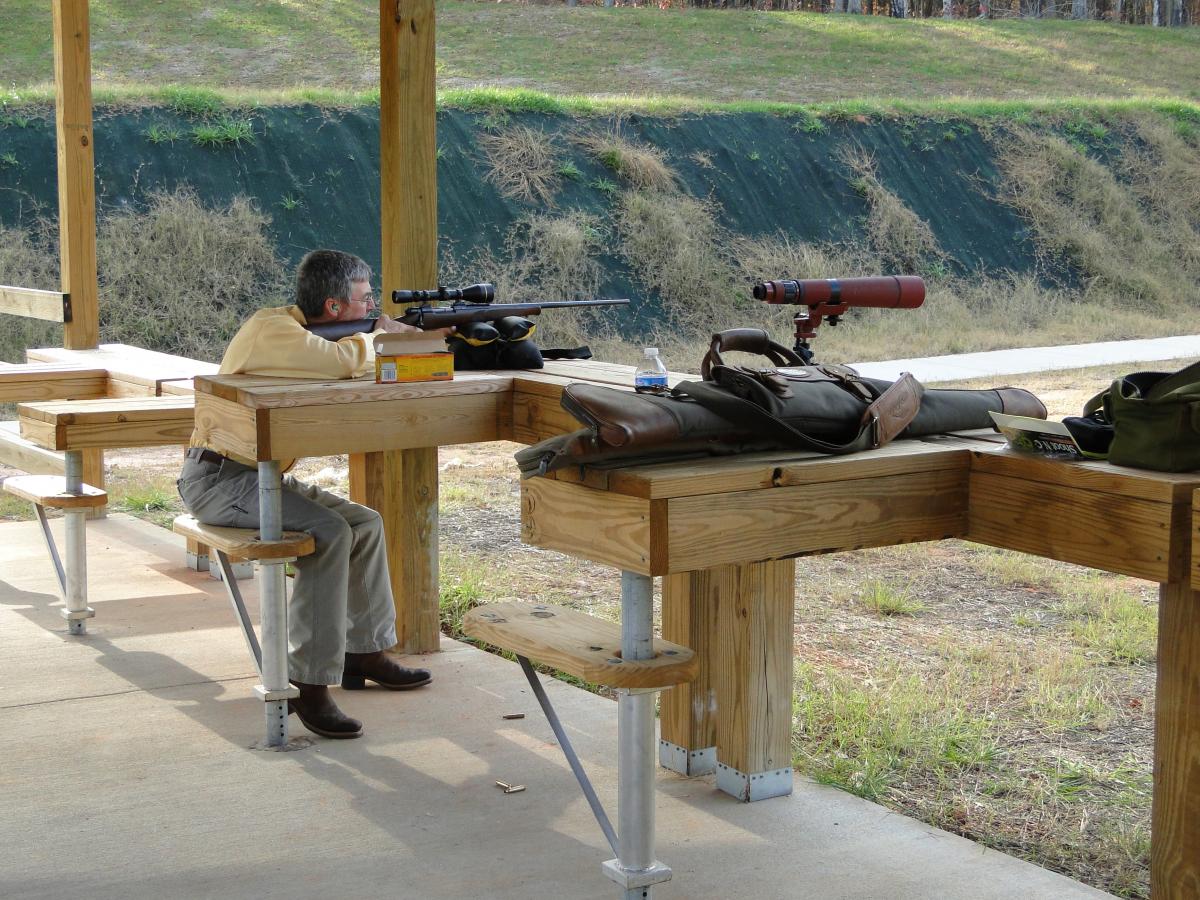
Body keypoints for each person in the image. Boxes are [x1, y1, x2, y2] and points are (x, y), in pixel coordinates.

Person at [179, 249, 444, 739]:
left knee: (364, 524)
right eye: (365, 301)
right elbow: (343, 364)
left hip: (260, 477)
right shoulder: (270, 329)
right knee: (330, 533)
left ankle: (361, 651)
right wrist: (386, 340)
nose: (371, 309)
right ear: (334, 307)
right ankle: (306, 680)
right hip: (218, 482)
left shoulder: (301, 335)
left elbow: (353, 364)